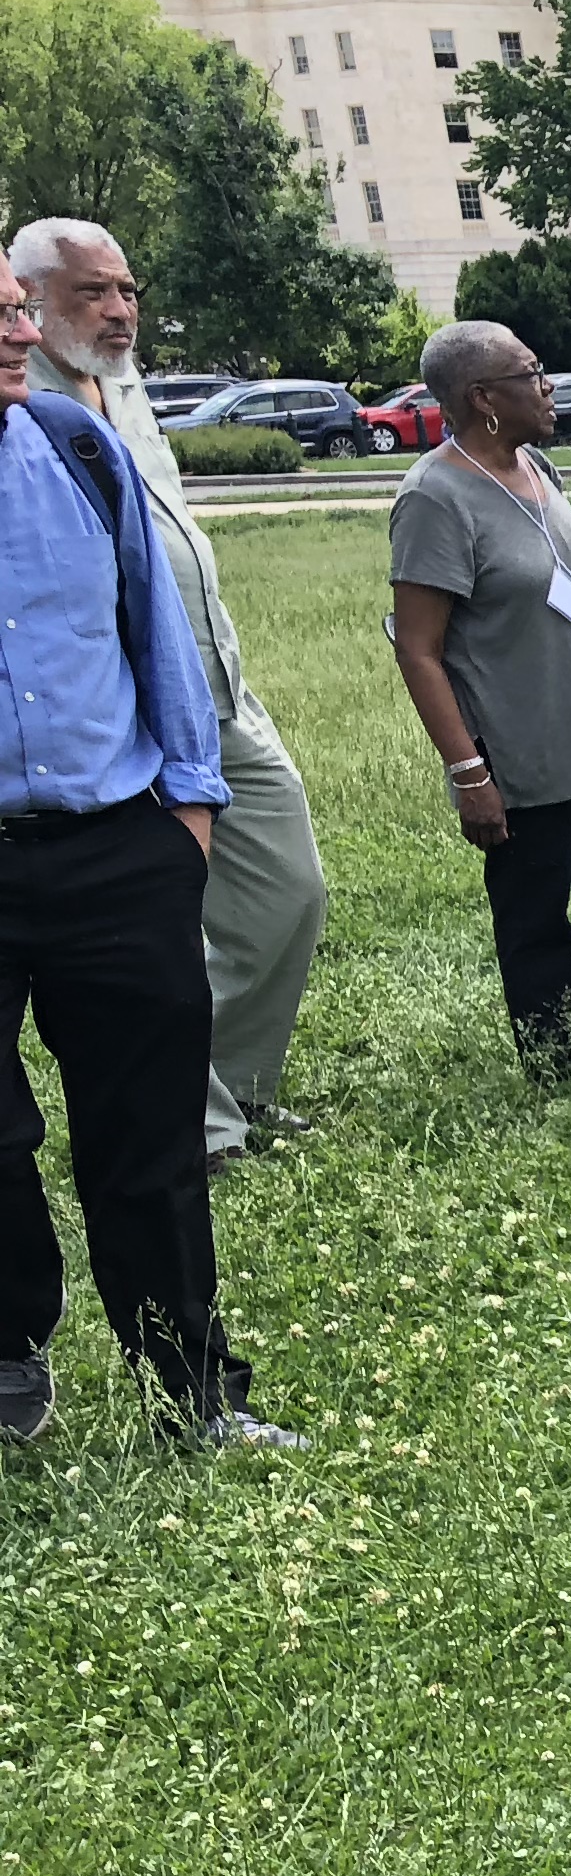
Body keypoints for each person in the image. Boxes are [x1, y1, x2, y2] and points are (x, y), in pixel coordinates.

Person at [0, 251, 296, 1450]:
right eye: (0, 313)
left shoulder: (82, 453)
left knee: (151, 1141)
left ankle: (192, 1395)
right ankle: (11, 1345)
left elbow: (157, 638)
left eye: (15, 308)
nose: (16, 331)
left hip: (119, 848)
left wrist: (191, 813)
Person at [11, 217, 327, 1172]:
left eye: (127, 291)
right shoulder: (27, 402)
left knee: (290, 892)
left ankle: (237, 1080)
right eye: (91, 294)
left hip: (216, 691)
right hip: (122, 715)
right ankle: (201, 1125)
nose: (119, 311)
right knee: (162, 934)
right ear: (28, 302)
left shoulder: (128, 388)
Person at [390, 321, 571, 1076]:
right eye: (531, 372)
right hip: (520, 758)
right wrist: (469, 773)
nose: (549, 386)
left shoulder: (537, 466)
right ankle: (551, 1064)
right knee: (536, 918)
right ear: (484, 398)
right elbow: (418, 648)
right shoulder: (435, 498)